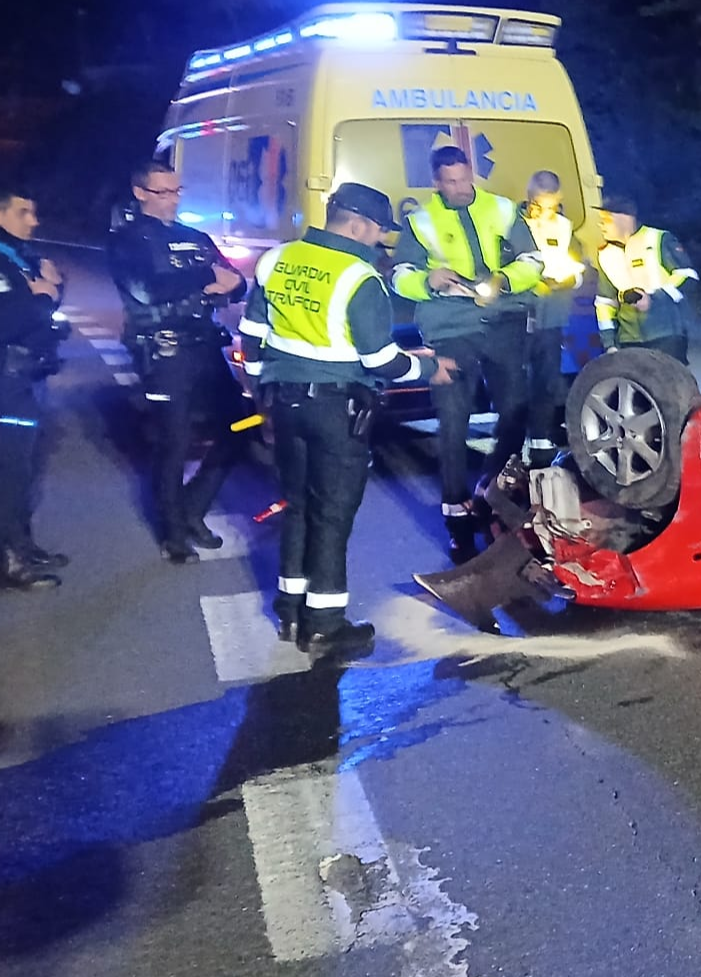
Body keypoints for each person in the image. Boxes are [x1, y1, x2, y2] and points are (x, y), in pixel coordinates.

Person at [239, 183, 454, 658]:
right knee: (332, 515)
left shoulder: (278, 259)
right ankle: (325, 626)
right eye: (378, 231)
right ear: (357, 223)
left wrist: (262, 398)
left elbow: (252, 335)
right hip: (336, 411)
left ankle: (290, 612)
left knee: (297, 506)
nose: (379, 241)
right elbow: (379, 359)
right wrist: (427, 368)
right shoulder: (360, 277)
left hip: (284, 401)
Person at [390, 145, 544, 562]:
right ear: (436, 182)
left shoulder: (503, 210)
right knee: (453, 423)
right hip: (451, 329)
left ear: (472, 173)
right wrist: (427, 280)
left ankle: (493, 495)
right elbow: (399, 276)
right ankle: (458, 521)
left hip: (502, 323)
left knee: (514, 414)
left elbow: (533, 260)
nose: (460, 188)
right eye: (451, 182)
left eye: (464, 179)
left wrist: (504, 281)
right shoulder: (420, 221)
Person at [108, 161, 251, 562]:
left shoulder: (194, 236)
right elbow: (149, 289)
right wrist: (206, 277)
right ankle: (173, 533)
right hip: (163, 349)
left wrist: (225, 281)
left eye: (176, 191)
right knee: (175, 442)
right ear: (140, 193)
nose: (172, 200)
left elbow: (236, 282)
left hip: (204, 344)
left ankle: (192, 509)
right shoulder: (128, 240)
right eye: (163, 192)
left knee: (237, 427)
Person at [0, 187, 69, 591]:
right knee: (11, 470)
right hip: (6, 378)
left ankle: (23, 544)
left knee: (27, 468)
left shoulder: (16, 257)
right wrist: (45, 295)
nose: (33, 220)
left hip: (25, 374)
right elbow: (7, 322)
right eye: (23, 213)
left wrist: (47, 291)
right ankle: (8, 563)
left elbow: (46, 296)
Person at [519, 170, 586, 468]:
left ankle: (540, 440)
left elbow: (579, 267)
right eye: (539, 203)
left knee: (547, 378)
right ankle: (514, 438)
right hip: (518, 314)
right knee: (515, 382)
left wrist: (569, 280)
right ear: (529, 196)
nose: (545, 211)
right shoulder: (513, 223)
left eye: (551, 204)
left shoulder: (563, 226)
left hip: (552, 314)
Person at [593, 198, 698, 363]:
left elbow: (688, 276)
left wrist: (654, 299)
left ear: (625, 219)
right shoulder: (606, 254)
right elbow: (605, 302)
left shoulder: (658, 239)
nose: (601, 226)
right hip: (629, 340)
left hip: (665, 335)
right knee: (636, 386)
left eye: (606, 220)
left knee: (670, 385)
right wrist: (609, 343)